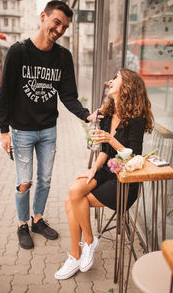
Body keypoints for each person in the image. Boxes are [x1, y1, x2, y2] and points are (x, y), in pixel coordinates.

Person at [0, 0, 100, 250]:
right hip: (21, 131)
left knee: (45, 180)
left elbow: (68, 95)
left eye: (64, 26)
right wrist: (3, 131)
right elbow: (6, 94)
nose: (60, 29)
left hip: (48, 130)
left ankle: (38, 219)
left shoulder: (63, 57)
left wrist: (87, 115)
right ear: (43, 17)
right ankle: (22, 224)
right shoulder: (18, 51)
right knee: (25, 181)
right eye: (56, 22)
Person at [54, 68, 154, 280]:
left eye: (116, 77)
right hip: (107, 170)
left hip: (124, 180)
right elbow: (105, 153)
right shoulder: (108, 113)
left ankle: (77, 252)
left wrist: (110, 139)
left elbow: (133, 156)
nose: (110, 80)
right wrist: (92, 170)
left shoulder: (136, 119)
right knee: (74, 189)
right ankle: (85, 245)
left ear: (127, 85)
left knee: (71, 201)